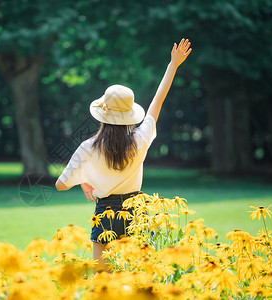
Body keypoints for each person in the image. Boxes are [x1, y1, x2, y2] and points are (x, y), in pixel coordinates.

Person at [55, 38, 192, 272]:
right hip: (136, 212)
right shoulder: (141, 139)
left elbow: (60, 186)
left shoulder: (88, 147)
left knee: (104, 283)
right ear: (130, 113)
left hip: (104, 213)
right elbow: (158, 100)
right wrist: (173, 64)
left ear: (101, 114)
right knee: (138, 279)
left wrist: (84, 181)